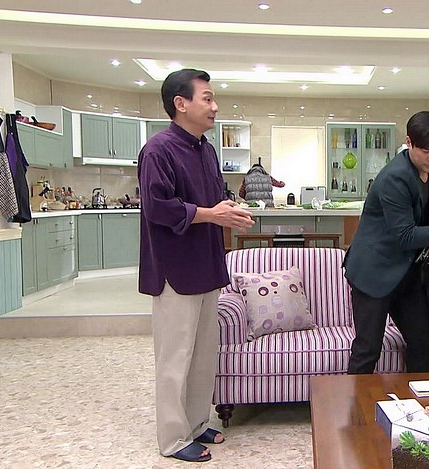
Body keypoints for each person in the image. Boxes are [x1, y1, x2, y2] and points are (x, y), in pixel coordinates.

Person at [138, 68, 255, 463]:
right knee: (175, 358)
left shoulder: (206, 149)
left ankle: (195, 422)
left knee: (205, 354)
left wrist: (229, 210)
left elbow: (211, 201)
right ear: (181, 103)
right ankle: (173, 439)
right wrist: (212, 214)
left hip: (207, 264)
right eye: (207, 98)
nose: (215, 106)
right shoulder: (158, 150)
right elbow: (158, 207)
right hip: (175, 271)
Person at [344, 111, 429, 374]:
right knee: (368, 348)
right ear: (409, 142)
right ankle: (354, 402)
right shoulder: (394, 177)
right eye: (426, 151)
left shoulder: (421, 169)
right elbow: (406, 236)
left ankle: (418, 397)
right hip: (373, 273)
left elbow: (417, 192)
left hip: (404, 273)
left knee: (421, 341)